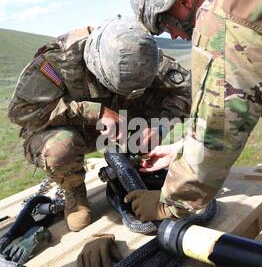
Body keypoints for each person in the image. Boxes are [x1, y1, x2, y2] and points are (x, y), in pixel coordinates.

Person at [126, 0, 262, 250]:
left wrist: (168, 204)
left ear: (180, 2)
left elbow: (217, 131)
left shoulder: (221, 14)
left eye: (167, 26)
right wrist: (180, 148)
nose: (176, 37)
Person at [8, 15, 191, 234]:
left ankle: (134, 166)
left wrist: (158, 127)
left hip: (121, 124)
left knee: (160, 101)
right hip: (75, 130)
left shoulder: (139, 54)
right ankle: (74, 191)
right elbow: (21, 113)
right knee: (60, 148)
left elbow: (185, 88)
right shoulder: (57, 63)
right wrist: (95, 112)